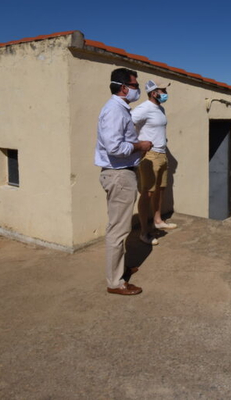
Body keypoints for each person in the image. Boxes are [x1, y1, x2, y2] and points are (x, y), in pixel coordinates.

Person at [95, 68, 153, 295]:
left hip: (122, 172)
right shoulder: (114, 111)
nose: (137, 90)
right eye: (135, 85)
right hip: (119, 174)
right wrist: (140, 146)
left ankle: (119, 269)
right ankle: (115, 282)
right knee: (118, 230)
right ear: (123, 88)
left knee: (120, 227)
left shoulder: (119, 109)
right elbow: (114, 147)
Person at [133, 80, 176, 245]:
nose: (165, 93)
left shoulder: (160, 108)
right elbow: (128, 123)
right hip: (150, 156)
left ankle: (157, 221)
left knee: (160, 189)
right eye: (162, 90)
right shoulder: (144, 108)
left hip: (162, 154)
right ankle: (144, 232)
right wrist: (138, 144)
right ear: (153, 92)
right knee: (147, 193)